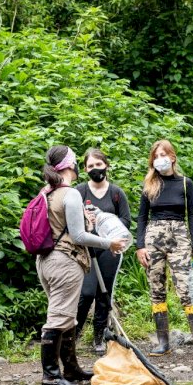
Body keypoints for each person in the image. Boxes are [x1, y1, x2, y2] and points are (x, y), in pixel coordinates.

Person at [35, 145, 128, 385]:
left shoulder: (47, 190)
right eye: (76, 161)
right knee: (58, 317)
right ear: (68, 165)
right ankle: (52, 375)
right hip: (64, 261)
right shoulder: (72, 193)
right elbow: (78, 236)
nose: (79, 166)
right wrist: (109, 242)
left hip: (44, 261)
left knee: (66, 316)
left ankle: (72, 369)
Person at [135, 140, 193, 358]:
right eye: (155, 156)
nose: (159, 159)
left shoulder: (185, 183)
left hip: (179, 237)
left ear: (172, 157)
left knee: (186, 287)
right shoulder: (149, 185)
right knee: (156, 288)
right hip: (154, 237)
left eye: (163, 155)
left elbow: (192, 215)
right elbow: (141, 217)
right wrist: (140, 246)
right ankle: (163, 342)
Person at [75, 149, 132, 355]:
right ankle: (74, 335)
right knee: (86, 293)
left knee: (104, 293)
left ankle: (98, 337)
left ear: (106, 166)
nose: (95, 169)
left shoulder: (116, 193)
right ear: (84, 169)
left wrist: (104, 219)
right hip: (87, 249)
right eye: (90, 166)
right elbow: (70, 220)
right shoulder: (79, 192)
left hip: (111, 249)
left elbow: (126, 221)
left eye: (98, 165)